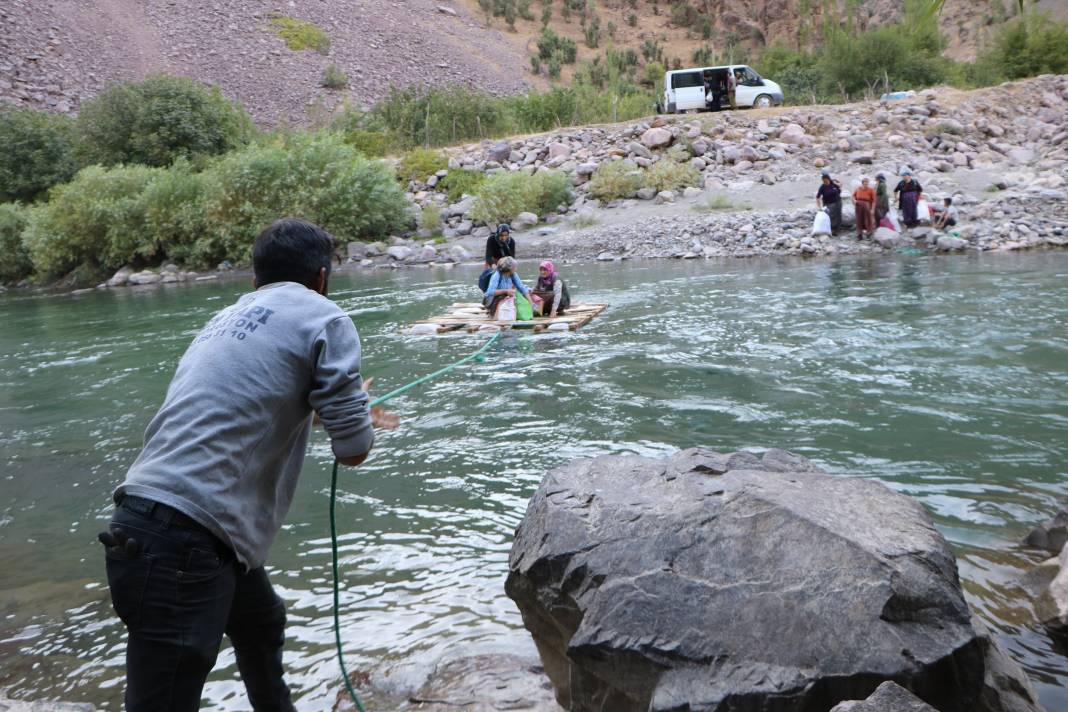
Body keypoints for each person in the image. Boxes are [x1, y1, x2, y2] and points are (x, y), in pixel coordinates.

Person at [101, 218, 398, 711]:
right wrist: (356, 416)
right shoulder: (324, 317)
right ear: (322, 277)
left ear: (255, 277)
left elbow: (243, 405)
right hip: (187, 536)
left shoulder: (225, 318)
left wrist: (331, 411)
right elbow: (353, 451)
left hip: (154, 520)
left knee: (260, 622)